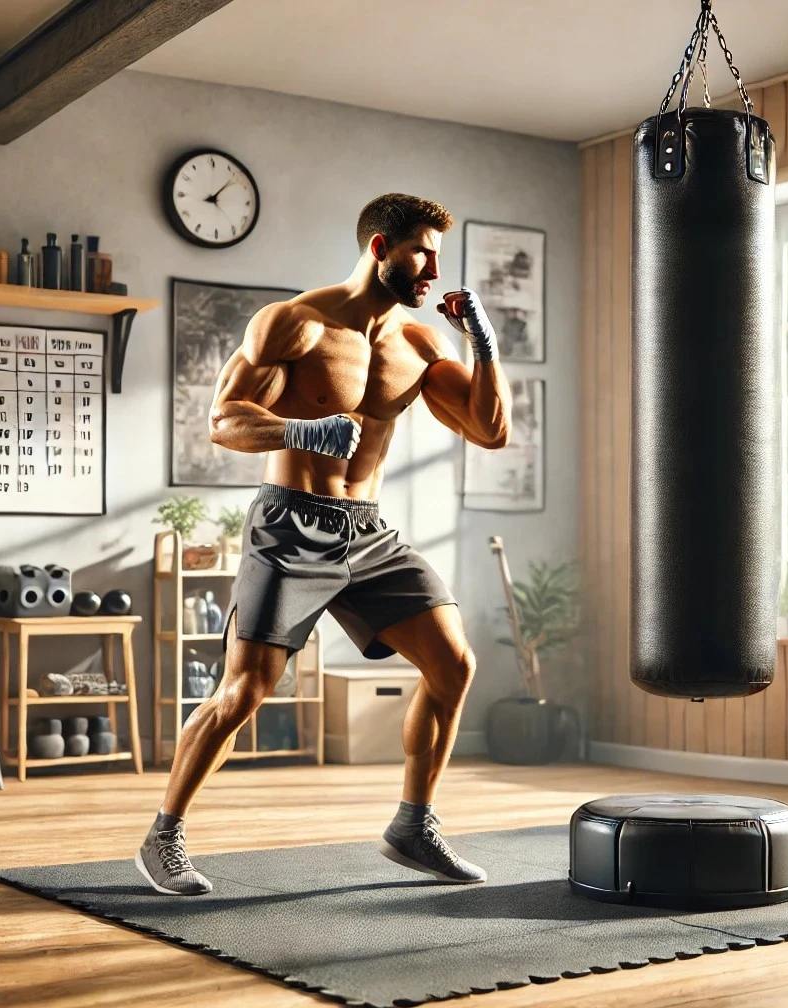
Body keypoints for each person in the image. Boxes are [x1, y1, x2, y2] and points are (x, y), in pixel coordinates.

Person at [137, 194, 512, 895]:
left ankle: (413, 825)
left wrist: (485, 347)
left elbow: (490, 432)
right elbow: (223, 421)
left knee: (453, 664)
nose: (434, 267)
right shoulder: (295, 323)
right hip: (291, 528)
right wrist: (298, 431)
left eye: (437, 253)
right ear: (379, 247)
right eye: (421, 251)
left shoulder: (421, 345)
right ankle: (164, 835)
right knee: (246, 691)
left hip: (368, 534)